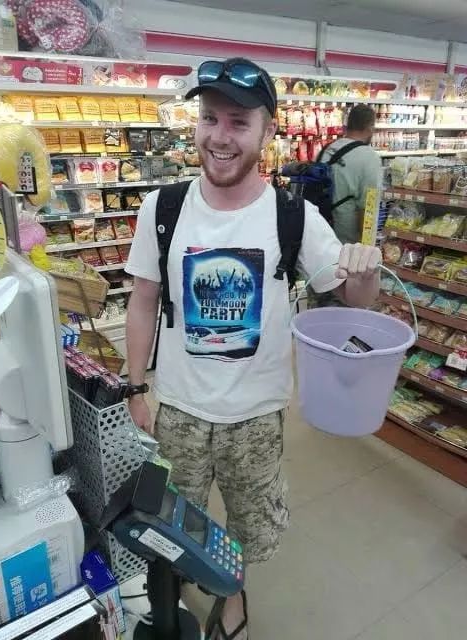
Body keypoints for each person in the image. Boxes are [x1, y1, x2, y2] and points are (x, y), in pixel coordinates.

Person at [125, 57, 381, 639]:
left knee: (247, 526)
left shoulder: (294, 216)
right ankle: (174, 590)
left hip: (257, 416)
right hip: (180, 409)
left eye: (239, 122)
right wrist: (135, 387)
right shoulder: (162, 208)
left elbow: (353, 298)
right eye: (209, 118)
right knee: (174, 521)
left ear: (268, 131)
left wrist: (364, 270)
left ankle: (233, 594)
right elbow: (143, 300)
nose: (220, 136)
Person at [319, 104, 382, 245]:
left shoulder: (327, 149)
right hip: (346, 245)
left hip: (319, 237)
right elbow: (368, 208)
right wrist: (366, 248)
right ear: (370, 128)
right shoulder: (369, 157)